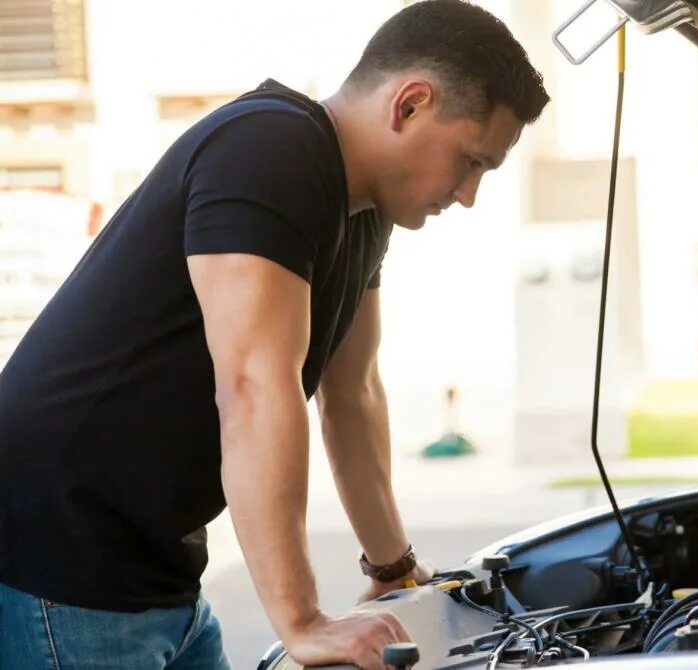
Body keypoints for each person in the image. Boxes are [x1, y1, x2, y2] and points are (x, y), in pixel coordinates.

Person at [0, 1, 549, 668]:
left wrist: (393, 565)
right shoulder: (271, 150)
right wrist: (303, 620)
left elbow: (352, 393)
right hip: (64, 569)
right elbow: (256, 384)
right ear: (409, 104)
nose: (468, 194)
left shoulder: (363, 212)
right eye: (472, 161)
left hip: (156, 575)